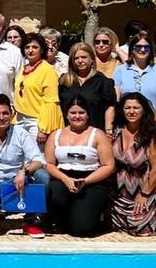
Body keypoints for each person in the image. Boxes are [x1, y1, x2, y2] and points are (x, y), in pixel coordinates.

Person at [0, 94, 49, 238]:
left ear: (12, 113)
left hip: (16, 183)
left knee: (42, 175)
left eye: (5, 113)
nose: (1, 117)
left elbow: (39, 160)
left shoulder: (21, 133)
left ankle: (30, 221)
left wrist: (23, 171)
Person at [44, 97, 115, 237]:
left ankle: (86, 216)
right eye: (73, 112)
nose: (77, 116)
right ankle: (61, 218)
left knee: (80, 229)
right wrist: (65, 179)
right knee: (53, 191)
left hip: (91, 181)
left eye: (81, 112)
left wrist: (86, 181)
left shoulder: (98, 135)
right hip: (64, 178)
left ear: (88, 115)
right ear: (67, 114)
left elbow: (109, 165)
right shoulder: (55, 135)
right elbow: (49, 164)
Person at [109, 92, 156, 236]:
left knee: (141, 228)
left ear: (144, 110)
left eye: (136, 108)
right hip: (119, 189)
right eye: (127, 108)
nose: (131, 111)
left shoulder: (151, 135)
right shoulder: (115, 131)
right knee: (113, 225)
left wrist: (144, 194)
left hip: (147, 185)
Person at [13, 32, 63, 146]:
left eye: (35, 47)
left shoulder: (47, 70)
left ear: (42, 50)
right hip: (20, 119)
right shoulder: (24, 68)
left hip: (37, 122)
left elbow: (50, 101)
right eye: (27, 47)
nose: (30, 50)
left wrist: (43, 129)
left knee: (37, 158)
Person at [57, 42, 116, 132]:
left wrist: (108, 131)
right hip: (68, 132)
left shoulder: (103, 81)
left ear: (92, 59)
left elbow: (110, 108)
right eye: (76, 58)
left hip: (95, 132)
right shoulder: (64, 81)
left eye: (84, 57)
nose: (80, 61)